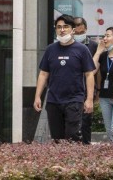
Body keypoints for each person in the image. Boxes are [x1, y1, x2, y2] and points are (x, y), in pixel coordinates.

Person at [32, 14, 95, 143]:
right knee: (57, 139)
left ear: (73, 30)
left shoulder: (82, 49)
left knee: (72, 136)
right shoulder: (50, 49)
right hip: (53, 100)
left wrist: (89, 99)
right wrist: (37, 96)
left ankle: (74, 156)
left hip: (74, 100)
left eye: (66, 27)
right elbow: (43, 74)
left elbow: (89, 75)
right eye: (59, 27)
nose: (62, 30)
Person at [71, 16, 98, 143]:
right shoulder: (67, 45)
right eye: (75, 29)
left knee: (86, 121)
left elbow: (96, 70)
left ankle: (86, 147)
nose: (77, 32)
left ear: (86, 29)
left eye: (80, 30)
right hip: (71, 88)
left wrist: (96, 91)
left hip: (87, 88)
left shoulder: (93, 45)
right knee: (71, 121)